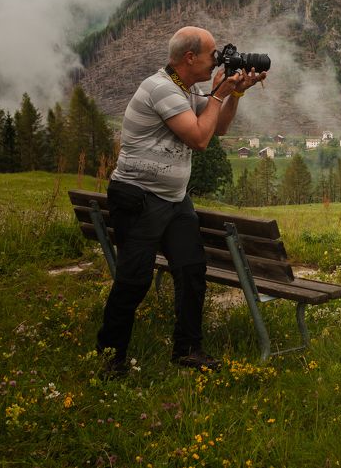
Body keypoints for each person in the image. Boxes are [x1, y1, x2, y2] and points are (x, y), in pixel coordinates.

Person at [96, 26, 267, 375]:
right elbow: (200, 139)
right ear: (190, 58)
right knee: (134, 279)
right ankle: (110, 357)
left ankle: (188, 349)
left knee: (191, 270)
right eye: (212, 55)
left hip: (173, 199)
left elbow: (218, 127)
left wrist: (234, 93)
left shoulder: (185, 90)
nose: (217, 61)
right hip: (139, 196)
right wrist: (219, 94)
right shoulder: (161, 89)